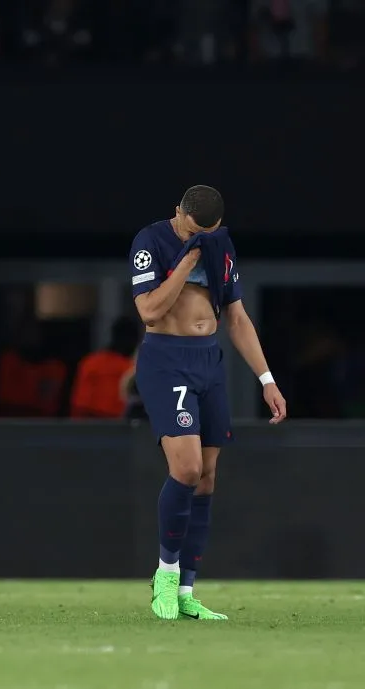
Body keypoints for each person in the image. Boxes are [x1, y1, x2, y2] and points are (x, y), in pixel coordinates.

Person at [130, 185, 287, 621]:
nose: (198, 235)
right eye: (193, 228)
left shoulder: (220, 244)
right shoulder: (152, 240)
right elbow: (148, 310)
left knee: (207, 478)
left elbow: (236, 317)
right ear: (178, 212)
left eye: (207, 231)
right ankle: (164, 573)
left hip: (208, 361)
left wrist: (266, 379)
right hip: (167, 359)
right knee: (187, 468)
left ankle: (185, 591)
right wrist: (187, 262)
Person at [70, 316, 141, 418]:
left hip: (88, 426)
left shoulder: (90, 362)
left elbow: (79, 404)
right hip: (119, 428)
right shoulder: (131, 370)